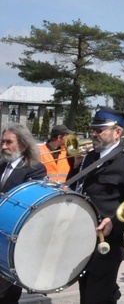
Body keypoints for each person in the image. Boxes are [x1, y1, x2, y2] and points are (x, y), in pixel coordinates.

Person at [67, 107, 124, 304]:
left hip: (107, 240)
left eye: (100, 130)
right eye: (93, 129)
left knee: (96, 296)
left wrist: (114, 223)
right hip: (82, 236)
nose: (94, 134)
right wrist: (75, 168)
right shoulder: (90, 157)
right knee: (87, 292)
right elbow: (76, 188)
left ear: (117, 132)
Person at [0, 124, 47, 304]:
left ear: (23, 145)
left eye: (8, 142)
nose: (3, 146)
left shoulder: (35, 169)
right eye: (2, 142)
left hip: (13, 240)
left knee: (6, 293)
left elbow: (27, 203)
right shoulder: (2, 165)